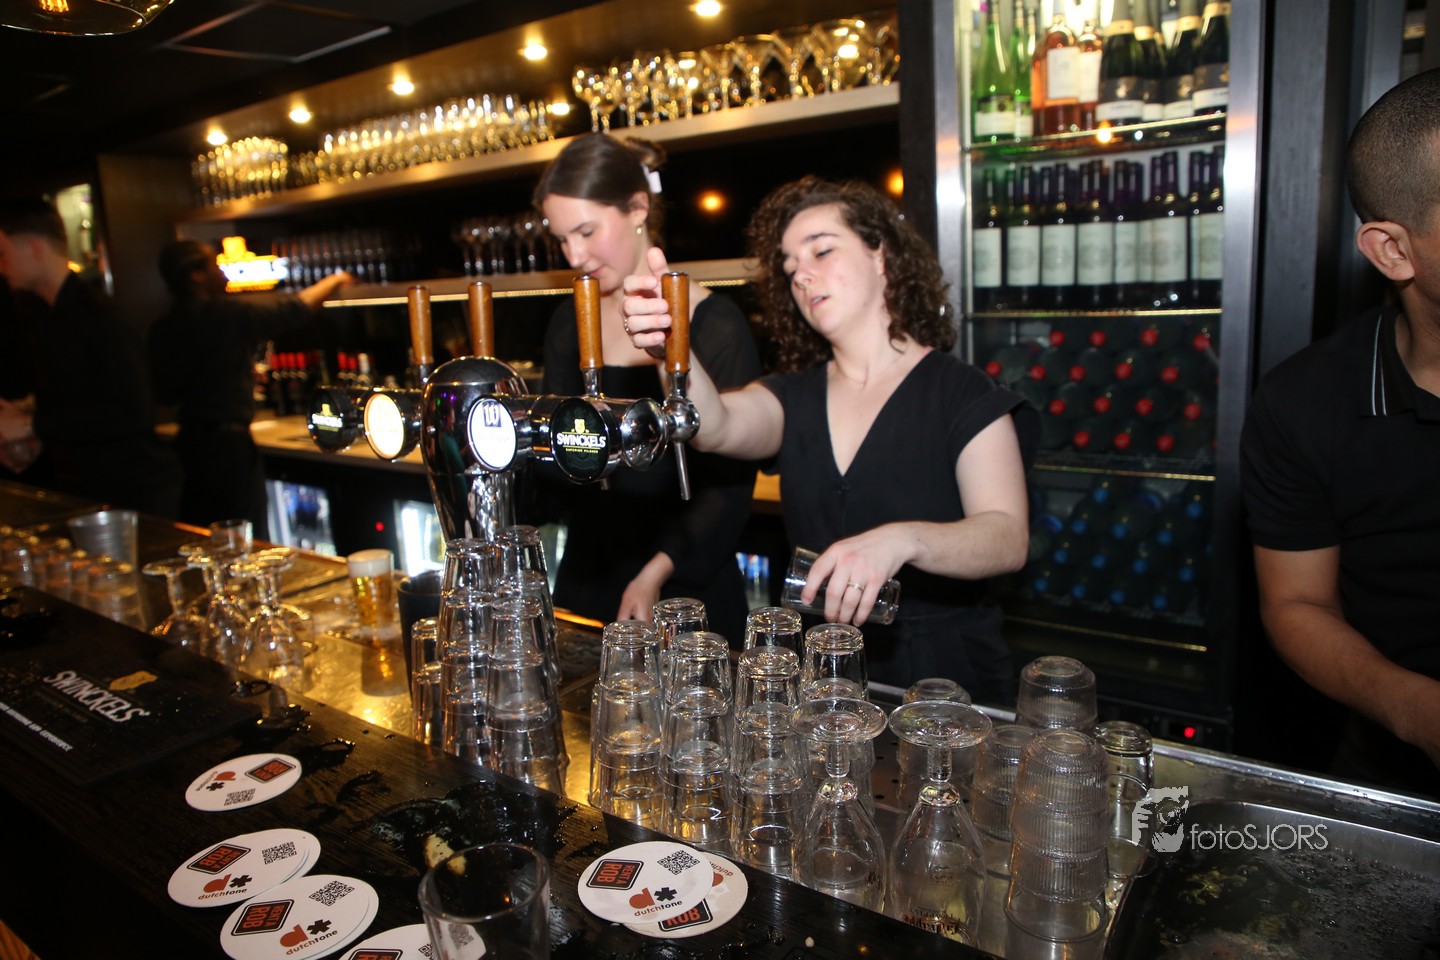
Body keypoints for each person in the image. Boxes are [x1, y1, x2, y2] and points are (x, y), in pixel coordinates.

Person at [623, 176, 1038, 702]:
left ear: (881, 254)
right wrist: (671, 350)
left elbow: (1007, 537)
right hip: (825, 679)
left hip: (945, 683)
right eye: (790, 268)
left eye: (821, 251)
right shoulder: (793, 396)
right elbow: (716, 424)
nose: (801, 275)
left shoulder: (961, 392)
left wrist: (903, 539)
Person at [1240, 68, 1440, 798]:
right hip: (1394, 772)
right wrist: (1417, 711)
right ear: (1393, 251)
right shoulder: (1305, 403)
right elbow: (1298, 604)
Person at [530, 133, 762, 642]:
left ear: (638, 208)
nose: (574, 255)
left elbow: (728, 491)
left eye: (586, 231)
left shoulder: (715, 325)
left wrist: (655, 573)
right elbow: (556, 466)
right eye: (562, 238)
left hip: (683, 583)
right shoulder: (570, 323)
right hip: (588, 575)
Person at [148, 239, 354, 537]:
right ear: (196, 275)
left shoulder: (162, 327)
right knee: (244, 534)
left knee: (204, 533)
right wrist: (335, 279)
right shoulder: (225, 315)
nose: (223, 273)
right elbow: (296, 308)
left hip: (188, 445)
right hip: (228, 447)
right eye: (215, 265)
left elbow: (164, 393)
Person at [0, 198, 181, 516]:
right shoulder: (39, 314)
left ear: (34, 247)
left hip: (131, 494)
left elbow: (133, 412)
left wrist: (31, 425)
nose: (1, 267)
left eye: (3, 253)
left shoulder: (99, 314)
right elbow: (75, 402)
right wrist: (30, 428)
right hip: (82, 489)